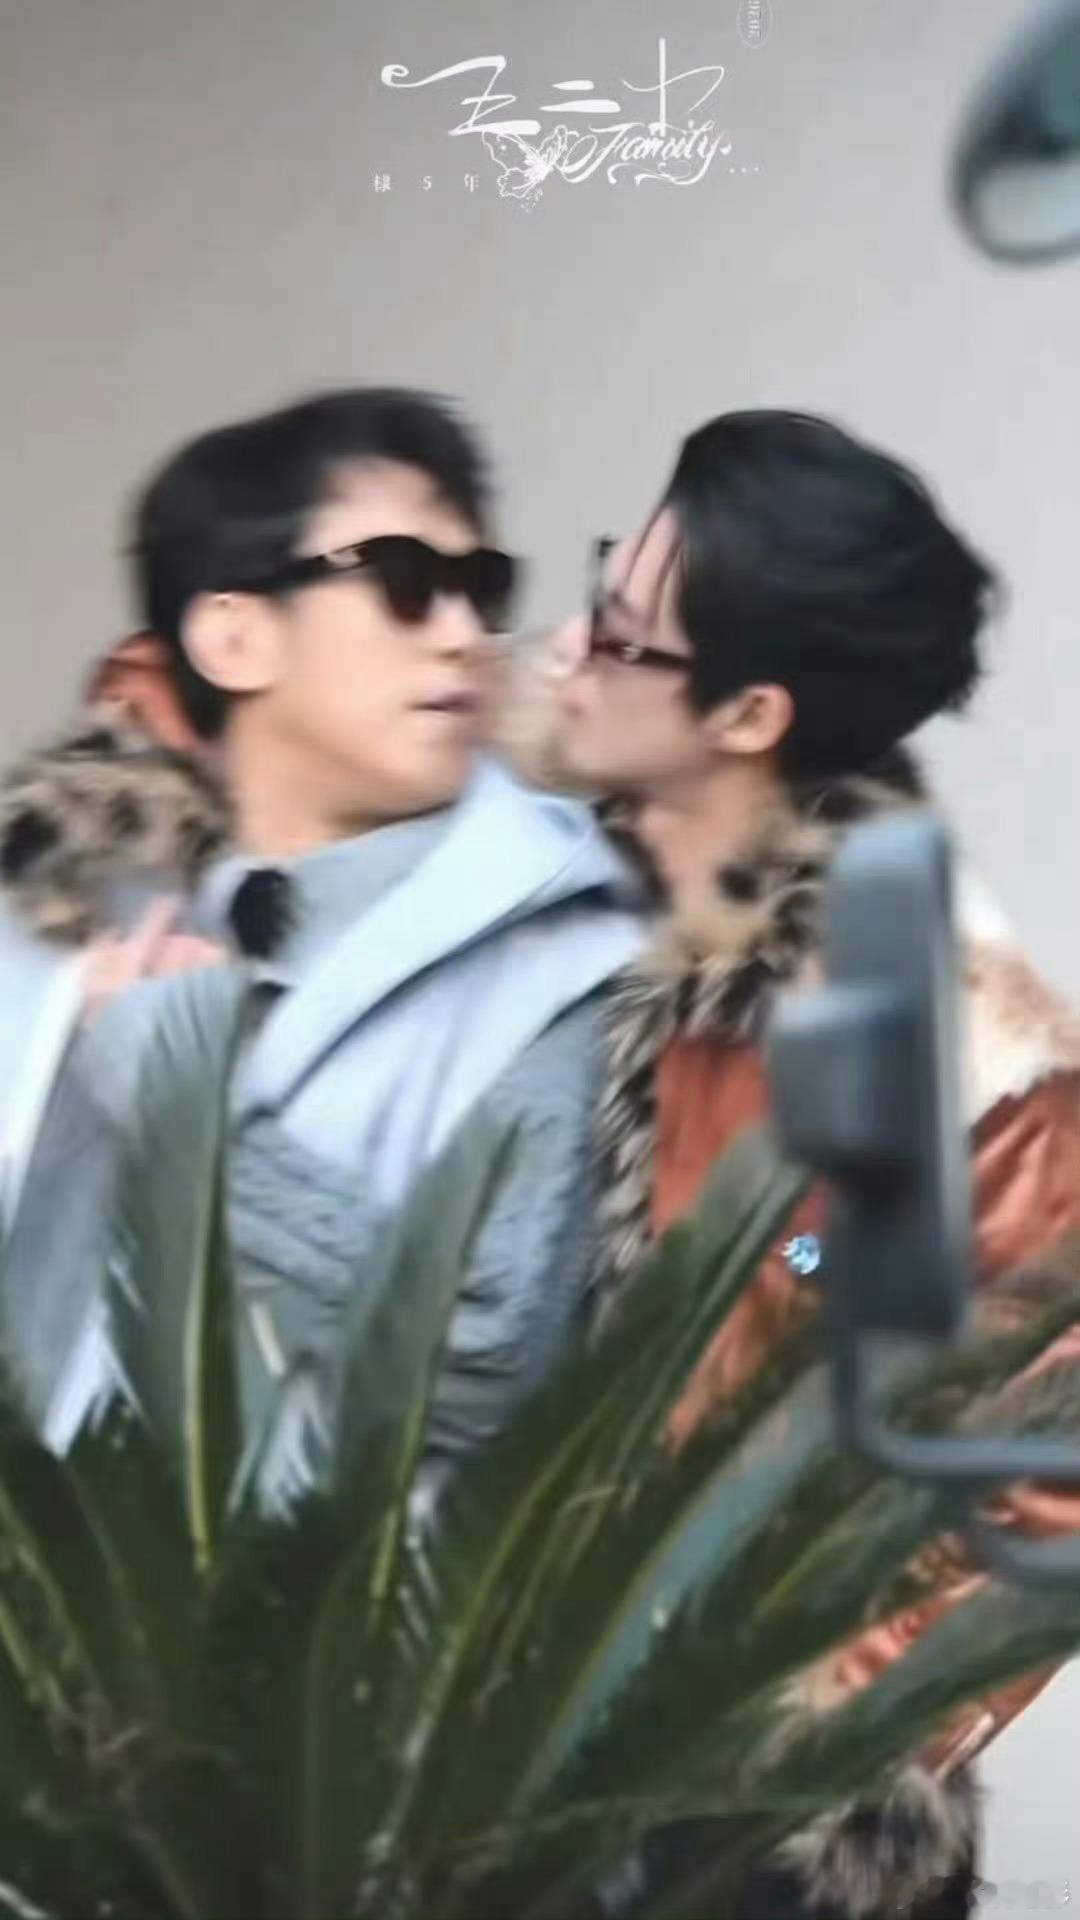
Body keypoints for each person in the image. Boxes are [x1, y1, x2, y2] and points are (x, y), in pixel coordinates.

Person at [536, 410, 1080, 1920]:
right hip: (460, 1763)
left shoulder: (935, 1021)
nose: (569, 645)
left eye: (622, 632)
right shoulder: (539, 886)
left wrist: (804, 1726)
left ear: (747, 713)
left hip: (739, 1846)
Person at [0, 387, 643, 1476]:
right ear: (234, 634)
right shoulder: (64, 916)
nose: (463, 635)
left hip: (338, 1587)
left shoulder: (569, 946)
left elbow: (479, 1356)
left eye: (481, 588)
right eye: (404, 583)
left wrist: (178, 1091)